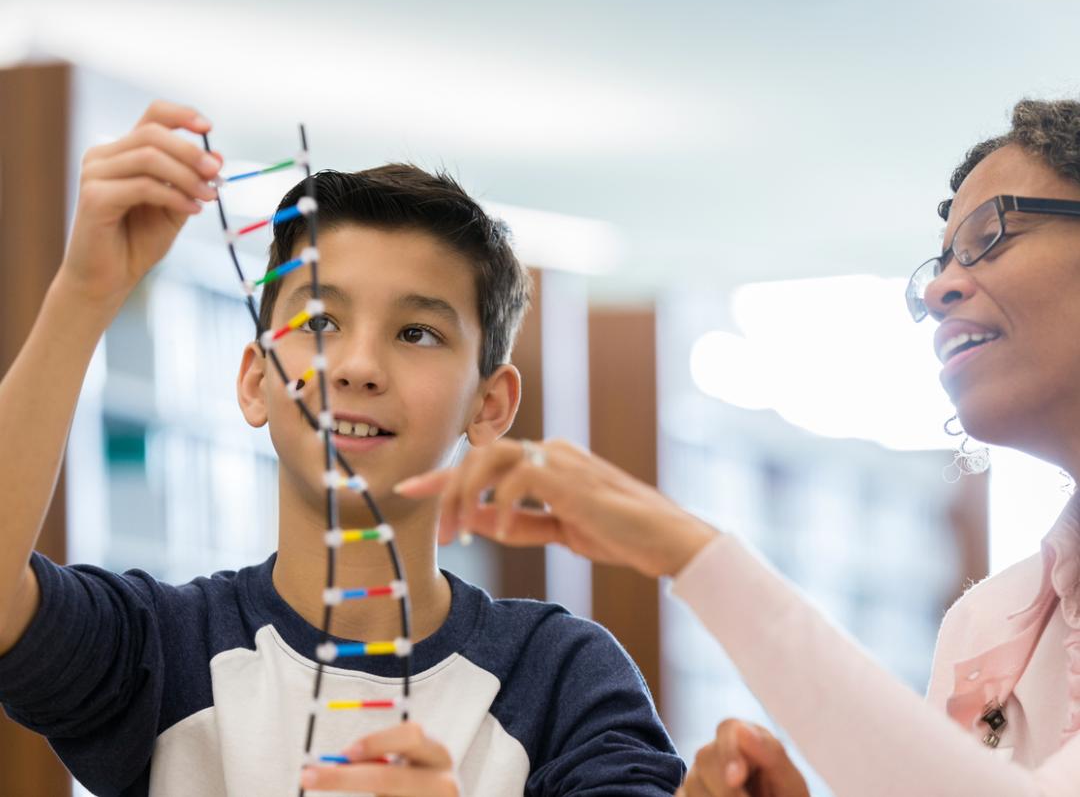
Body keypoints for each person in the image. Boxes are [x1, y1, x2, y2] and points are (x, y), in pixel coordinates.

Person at [396, 97, 1080, 796]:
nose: (939, 289)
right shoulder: (985, 623)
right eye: (938, 262)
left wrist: (688, 550)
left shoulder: (558, 669)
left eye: (990, 235)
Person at [0, 101, 685, 796]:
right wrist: (84, 292)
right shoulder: (165, 648)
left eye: (416, 333)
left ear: (491, 404)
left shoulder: (561, 680)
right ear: (255, 382)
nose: (357, 366)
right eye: (319, 320)